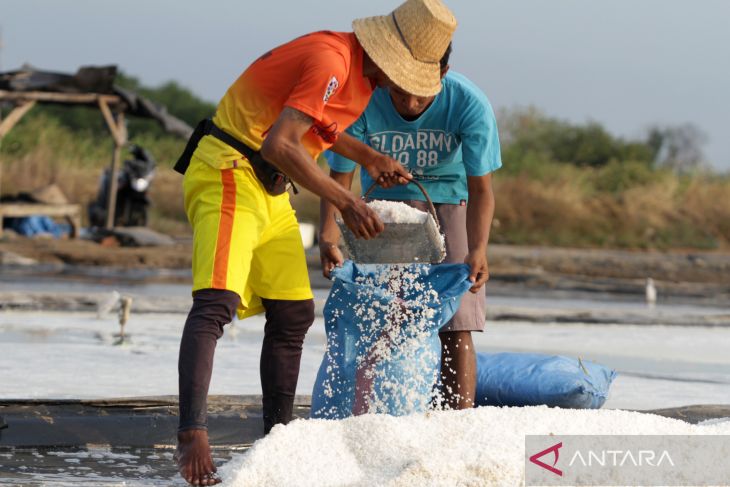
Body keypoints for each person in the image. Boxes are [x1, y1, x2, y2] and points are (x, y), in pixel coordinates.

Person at [174, 0, 457, 485]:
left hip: (270, 187)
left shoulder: (359, 78)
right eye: (408, 78)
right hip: (230, 170)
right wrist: (346, 203)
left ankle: (277, 439)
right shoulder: (332, 59)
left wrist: (368, 157)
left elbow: (321, 128)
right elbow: (280, 143)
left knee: (293, 313)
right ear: (390, 58)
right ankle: (192, 435)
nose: (407, 92)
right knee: (216, 303)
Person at [319, 43, 501, 413]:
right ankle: (370, 414)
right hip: (382, 207)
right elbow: (340, 175)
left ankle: (457, 420)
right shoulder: (366, 99)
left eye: (421, 96)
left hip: (449, 201)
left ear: (442, 74)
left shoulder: (468, 102)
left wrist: (477, 249)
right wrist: (328, 236)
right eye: (400, 93)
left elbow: (481, 187)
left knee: (456, 320)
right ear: (386, 77)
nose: (411, 105)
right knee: (377, 314)